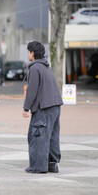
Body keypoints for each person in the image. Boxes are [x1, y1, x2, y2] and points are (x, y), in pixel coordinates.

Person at [23, 41, 63, 174]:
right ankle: (52, 164)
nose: (28, 54)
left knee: (38, 136)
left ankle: (38, 167)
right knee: (52, 135)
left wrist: (26, 108)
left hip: (43, 107)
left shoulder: (35, 68)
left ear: (32, 53)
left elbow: (32, 90)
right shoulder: (46, 66)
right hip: (55, 106)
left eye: (28, 52)